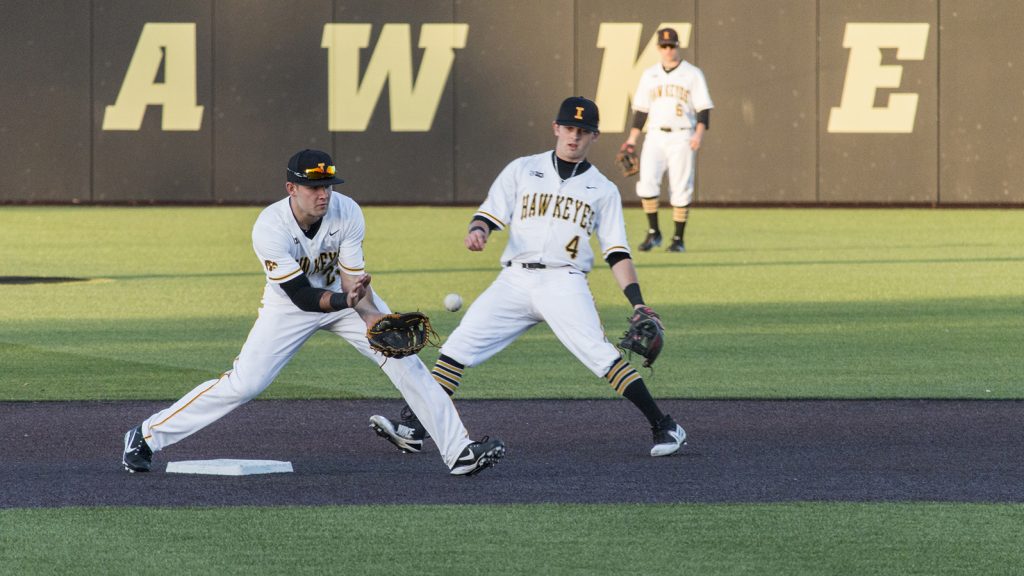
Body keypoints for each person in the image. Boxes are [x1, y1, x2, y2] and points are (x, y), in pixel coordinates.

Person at [121, 149, 505, 477]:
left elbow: (354, 279)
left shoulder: (347, 211)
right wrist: (347, 302)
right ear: (291, 189)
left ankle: (460, 453)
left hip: (346, 301)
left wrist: (371, 318)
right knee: (245, 384)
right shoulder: (269, 227)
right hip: (290, 308)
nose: (324, 194)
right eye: (314, 187)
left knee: (408, 364)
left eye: (328, 186)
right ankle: (147, 435)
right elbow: (302, 296)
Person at [369, 97, 686, 458]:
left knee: (601, 357)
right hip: (514, 280)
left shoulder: (603, 190)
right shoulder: (523, 169)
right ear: (556, 128)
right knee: (455, 350)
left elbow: (617, 252)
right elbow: (488, 213)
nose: (574, 137)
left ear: (594, 136)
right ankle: (413, 428)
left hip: (564, 282)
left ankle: (666, 427)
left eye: (583, 132)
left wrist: (638, 301)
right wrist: (479, 230)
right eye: (568, 128)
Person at [620, 27, 713, 253]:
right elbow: (641, 110)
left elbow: (703, 108)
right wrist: (632, 139)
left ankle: (678, 239)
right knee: (647, 184)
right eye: (664, 46)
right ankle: (654, 233)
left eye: (672, 45)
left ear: (677, 46)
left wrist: (698, 134)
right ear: (658, 48)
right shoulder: (650, 74)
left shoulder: (692, 74)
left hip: (683, 134)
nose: (668, 50)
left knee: (681, 187)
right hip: (654, 135)